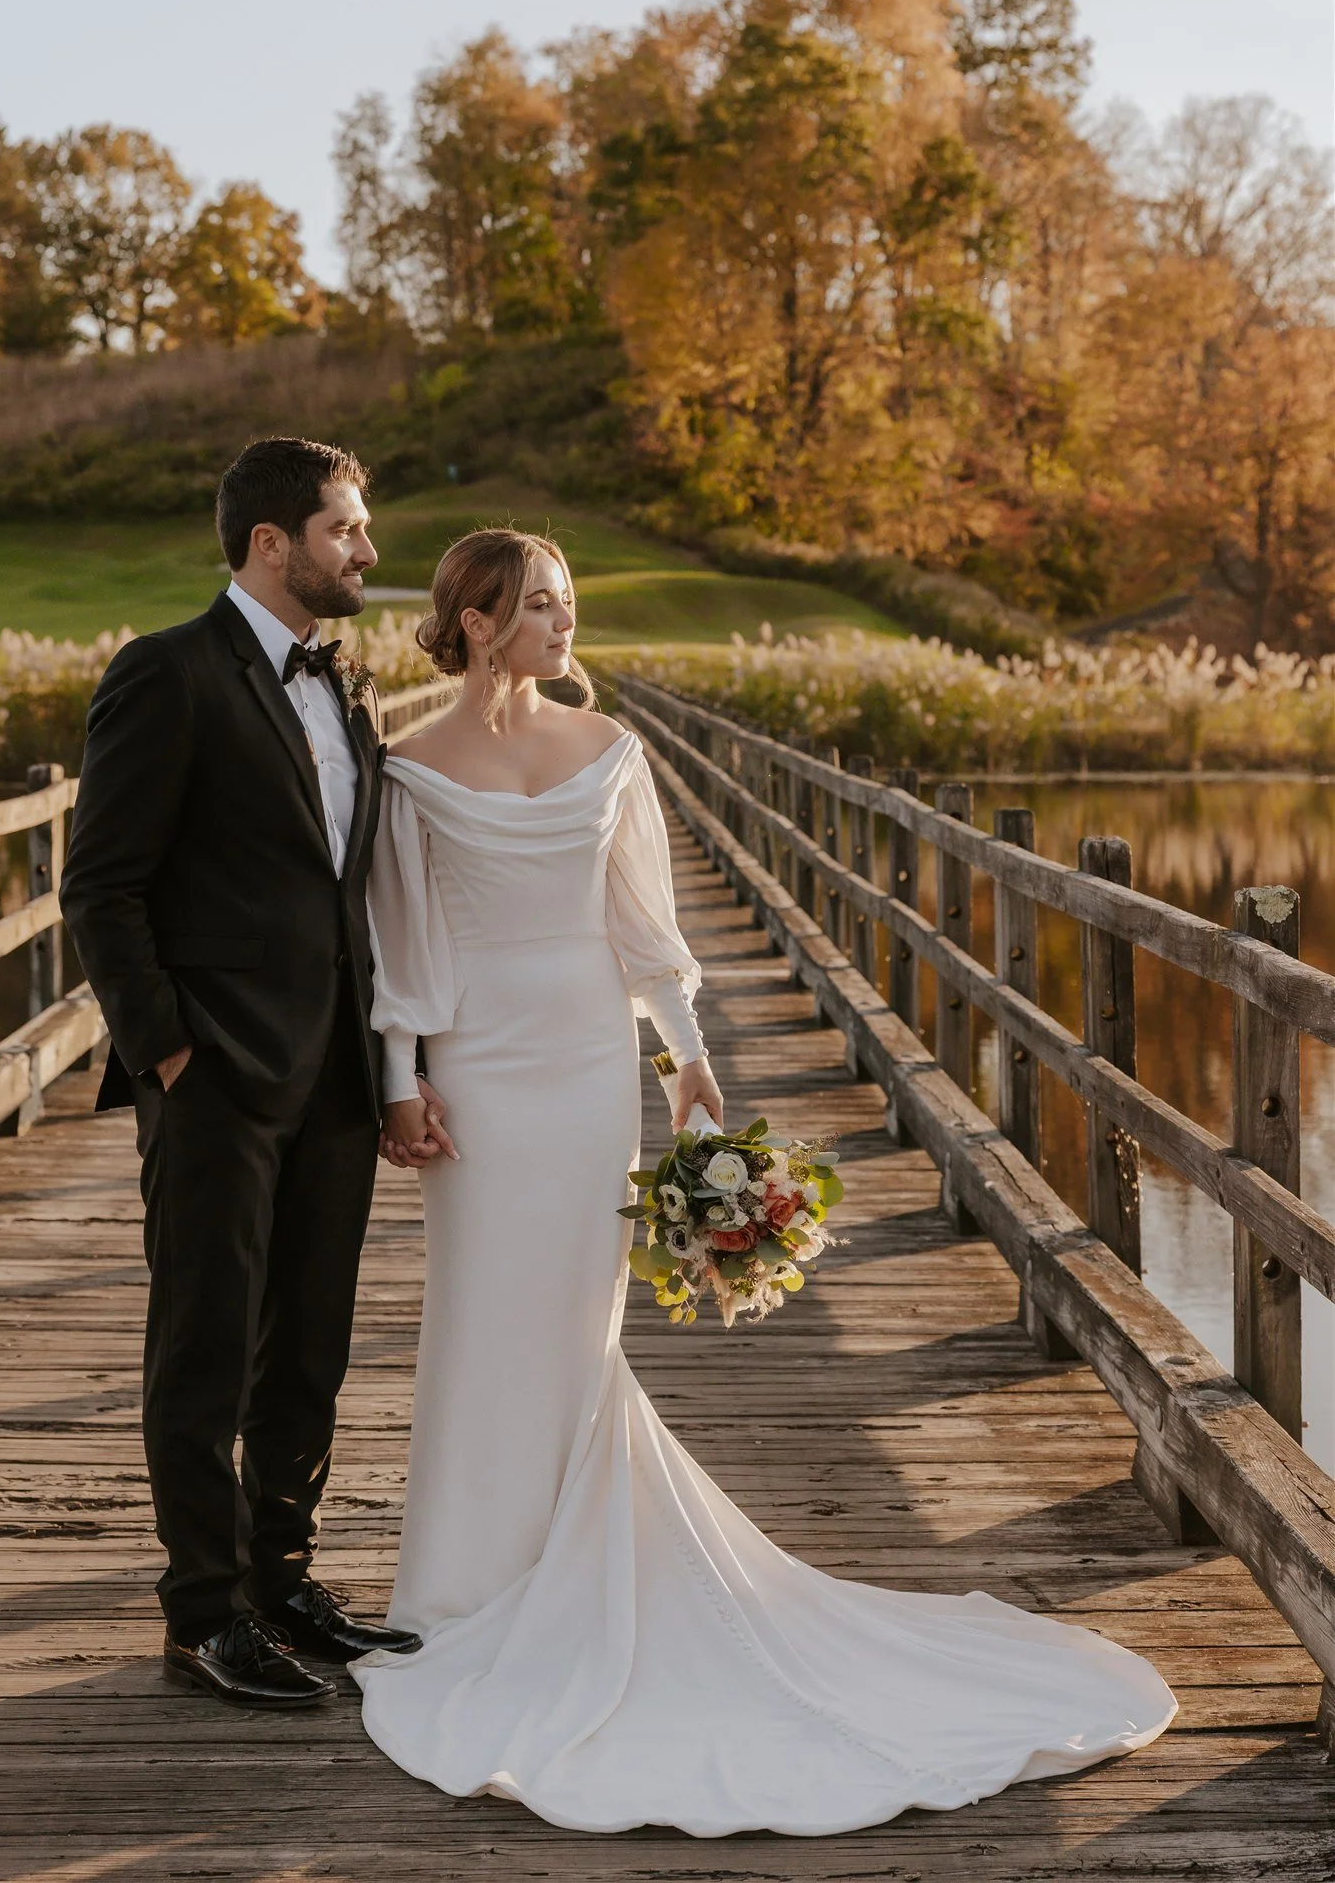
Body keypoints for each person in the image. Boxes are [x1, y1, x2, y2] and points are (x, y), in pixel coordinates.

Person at [354, 527, 1178, 1834]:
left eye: (568, 600)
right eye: (542, 607)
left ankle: (567, 1580)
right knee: (474, 1321)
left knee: (573, 1329)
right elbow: (401, 941)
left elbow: (643, 929)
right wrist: (399, 1078)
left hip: (579, 1071)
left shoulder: (611, 752)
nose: (567, 624)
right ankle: (465, 1590)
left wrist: (687, 1063)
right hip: (479, 1070)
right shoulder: (405, 772)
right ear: (474, 622)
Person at [61, 437, 436, 1709]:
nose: (368, 553)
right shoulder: (164, 674)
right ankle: (202, 1613)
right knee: (204, 1350)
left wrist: (390, 1060)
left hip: (334, 1073)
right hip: (216, 1074)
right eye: (348, 530)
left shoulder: (346, 686)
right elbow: (100, 883)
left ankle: (283, 1579)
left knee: (309, 1349)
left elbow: (354, 890)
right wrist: (167, 1047)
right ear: (273, 542)